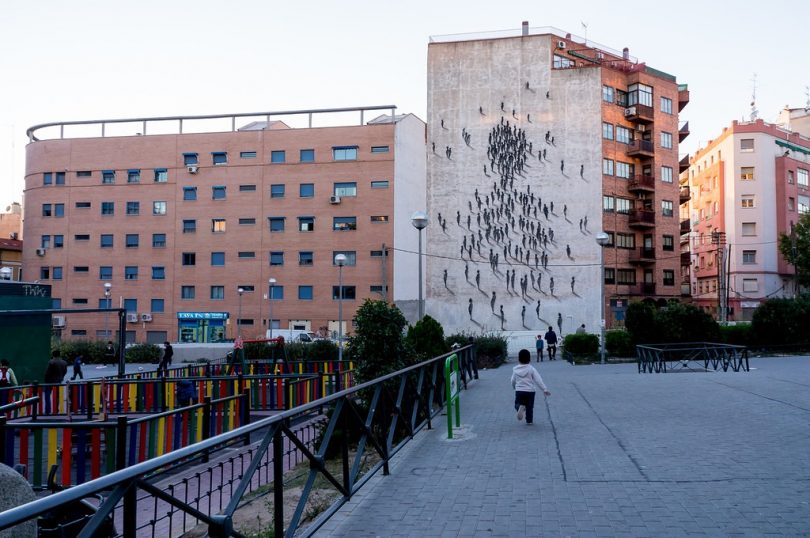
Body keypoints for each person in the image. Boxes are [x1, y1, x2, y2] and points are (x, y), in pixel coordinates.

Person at [510, 349, 551, 425]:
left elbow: (512, 380)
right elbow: (538, 380)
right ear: (529, 359)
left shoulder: (515, 369)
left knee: (517, 403)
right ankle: (529, 421)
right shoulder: (531, 369)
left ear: (519, 359)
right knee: (529, 407)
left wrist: (514, 387)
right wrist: (544, 389)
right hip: (530, 391)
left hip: (519, 390)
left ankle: (520, 407)